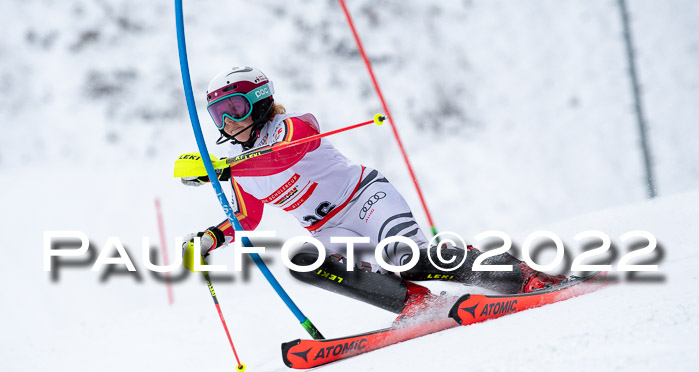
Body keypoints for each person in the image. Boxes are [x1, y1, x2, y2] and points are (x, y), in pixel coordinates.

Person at [180, 66, 566, 322]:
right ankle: (417, 305)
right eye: (218, 114)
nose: (229, 120)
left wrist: (224, 168)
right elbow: (247, 217)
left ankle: (521, 274)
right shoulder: (240, 165)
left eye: (235, 106)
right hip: (331, 230)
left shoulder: (294, 126)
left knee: (407, 257)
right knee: (304, 260)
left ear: (261, 101)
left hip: (366, 203)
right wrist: (211, 238)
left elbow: (285, 157)